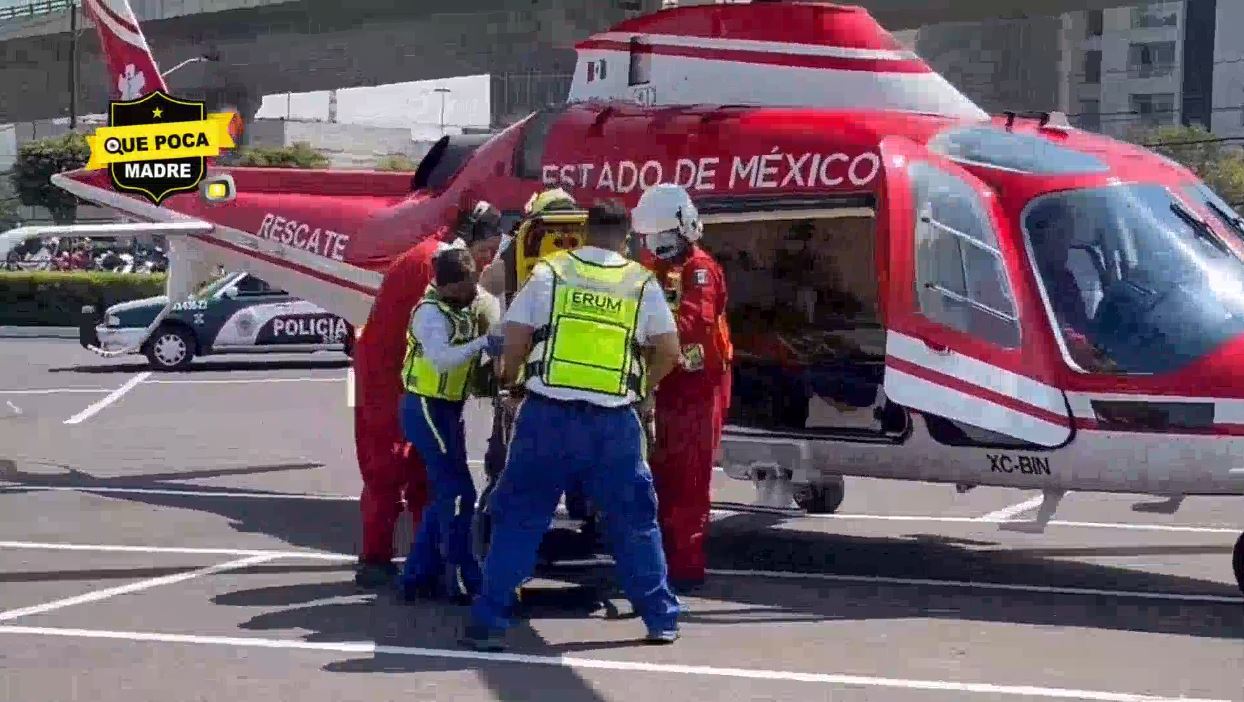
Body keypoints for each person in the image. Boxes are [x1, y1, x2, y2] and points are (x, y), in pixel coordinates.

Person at [462, 200, 683, 652]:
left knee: (519, 519)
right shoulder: (641, 283)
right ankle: (660, 619)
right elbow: (668, 348)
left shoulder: (551, 273)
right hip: (613, 424)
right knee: (634, 522)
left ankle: (488, 620)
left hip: (548, 416)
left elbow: (517, 335)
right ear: (627, 239)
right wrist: (641, 388)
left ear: (584, 234)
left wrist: (510, 380)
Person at [351, 201, 503, 588]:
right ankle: (377, 558)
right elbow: (446, 339)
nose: (487, 262)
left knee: (427, 473)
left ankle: (426, 562)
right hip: (389, 377)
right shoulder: (432, 269)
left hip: (406, 376)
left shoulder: (436, 258)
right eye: (485, 252)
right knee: (389, 468)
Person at [632, 184, 733, 592]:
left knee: (689, 477)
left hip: (698, 384)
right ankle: (659, 560)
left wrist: (648, 337)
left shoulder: (700, 271)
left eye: (664, 241)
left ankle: (686, 566)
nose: (658, 249)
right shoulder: (654, 266)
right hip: (666, 382)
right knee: (658, 472)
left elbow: (695, 323)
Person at [397, 247, 503, 603]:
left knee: (445, 494)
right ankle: (460, 574)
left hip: (447, 408)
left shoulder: (464, 303)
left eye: (474, 281)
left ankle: (416, 577)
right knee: (461, 494)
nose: (473, 290)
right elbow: (442, 360)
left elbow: (491, 303)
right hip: (427, 407)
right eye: (465, 285)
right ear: (446, 287)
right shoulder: (430, 314)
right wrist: (484, 343)